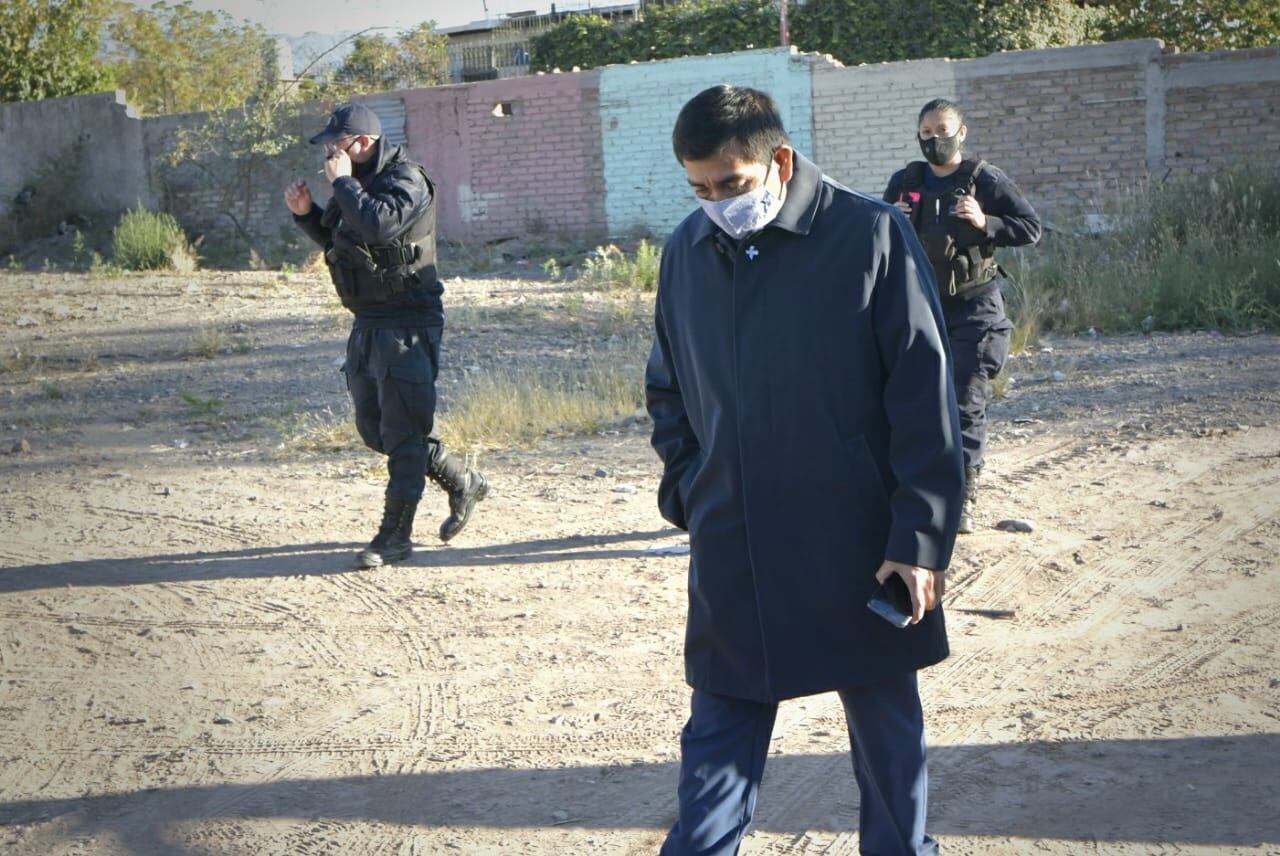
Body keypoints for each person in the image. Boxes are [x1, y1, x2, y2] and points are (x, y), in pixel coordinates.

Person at [645, 84, 964, 856]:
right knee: (715, 747)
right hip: (736, 545)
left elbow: (926, 398)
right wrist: (697, 493)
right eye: (699, 190)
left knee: (889, 742)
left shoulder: (870, 236)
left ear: (778, 160)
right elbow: (667, 393)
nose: (716, 204)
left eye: (731, 184)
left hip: (858, 542)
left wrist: (918, 538)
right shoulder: (687, 252)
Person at [283, 103, 489, 568]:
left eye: (337, 145)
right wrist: (307, 214)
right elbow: (346, 239)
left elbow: (379, 224)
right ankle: (462, 480)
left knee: (403, 433)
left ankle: (395, 536)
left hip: (408, 322)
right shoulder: (358, 184)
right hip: (370, 320)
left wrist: (341, 182)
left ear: (362, 143)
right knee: (378, 428)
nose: (330, 154)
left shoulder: (405, 179)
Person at [883, 98, 1042, 533]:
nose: (935, 138)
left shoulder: (983, 179)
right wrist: (891, 221)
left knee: (965, 402)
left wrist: (985, 220)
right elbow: (876, 240)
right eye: (927, 132)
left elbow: (1030, 228)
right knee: (916, 405)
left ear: (962, 132)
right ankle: (914, 493)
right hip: (921, 309)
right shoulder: (906, 182)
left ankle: (963, 497)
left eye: (943, 129)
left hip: (975, 308)